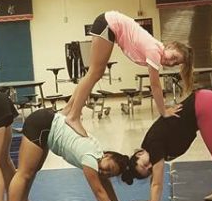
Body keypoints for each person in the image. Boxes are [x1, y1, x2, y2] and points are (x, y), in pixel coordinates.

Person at [7, 107, 141, 201]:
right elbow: (99, 191)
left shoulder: (99, 156)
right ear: (108, 155)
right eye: (109, 168)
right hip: (42, 124)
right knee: (24, 173)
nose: (105, 172)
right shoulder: (90, 158)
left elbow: (105, 182)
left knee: (34, 169)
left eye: (110, 174)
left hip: (48, 126)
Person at [61, 11, 192, 137]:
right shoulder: (154, 50)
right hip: (108, 23)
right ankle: (73, 117)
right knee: (95, 73)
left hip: (107, 23)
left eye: (175, 63)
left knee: (94, 73)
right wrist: (163, 112)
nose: (171, 62)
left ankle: (68, 110)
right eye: (174, 56)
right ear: (169, 46)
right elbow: (155, 85)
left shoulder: (156, 48)